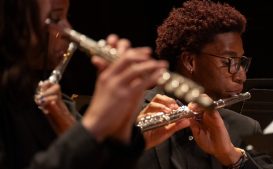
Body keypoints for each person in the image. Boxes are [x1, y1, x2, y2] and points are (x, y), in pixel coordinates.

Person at [0, 0, 168, 169]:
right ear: (11, 20)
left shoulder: (37, 95)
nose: (68, 30)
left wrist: (121, 130)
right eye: (55, 17)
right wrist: (95, 123)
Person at [135, 0, 273, 169]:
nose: (241, 76)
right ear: (190, 62)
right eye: (230, 61)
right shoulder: (126, 115)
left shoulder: (246, 128)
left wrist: (231, 156)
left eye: (241, 62)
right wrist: (131, 142)